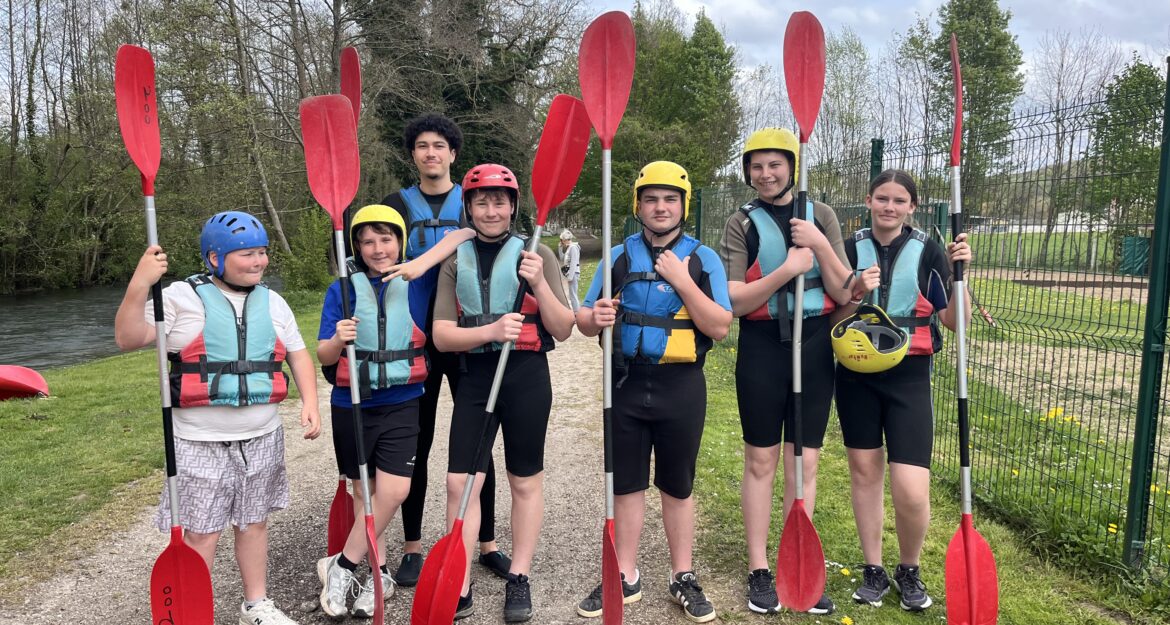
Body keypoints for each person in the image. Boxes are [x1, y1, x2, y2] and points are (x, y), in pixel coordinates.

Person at [114, 211, 321, 625]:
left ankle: (256, 604)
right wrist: (141, 282)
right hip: (198, 438)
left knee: (253, 523)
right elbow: (128, 338)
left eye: (262, 252)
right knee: (203, 532)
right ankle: (193, 611)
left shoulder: (273, 301)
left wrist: (310, 401)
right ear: (214, 258)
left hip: (262, 435)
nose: (258, 261)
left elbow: (297, 352)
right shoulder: (179, 297)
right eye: (246, 254)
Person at [576, 161, 732, 624]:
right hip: (626, 382)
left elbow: (720, 326)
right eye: (651, 199)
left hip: (680, 385)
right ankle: (625, 574)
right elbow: (583, 321)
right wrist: (597, 317)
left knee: (677, 485)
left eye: (669, 199)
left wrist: (682, 280)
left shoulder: (703, 259)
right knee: (626, 484)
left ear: (682, 206)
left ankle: (682, 574)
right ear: (638, 206)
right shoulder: (618, 256)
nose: (660, 207)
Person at [431, 163, 575, 622]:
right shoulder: (456, 258)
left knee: (523, 479)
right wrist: (491, 329)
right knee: (460, 482)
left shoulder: (540, 254)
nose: (490, 210)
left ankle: (519, 576)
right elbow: (441, 336)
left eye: (499, 201)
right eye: (481, 202)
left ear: (513, 207)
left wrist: (536, 282)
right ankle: (461, 578)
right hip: (476, 375)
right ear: (468, 208)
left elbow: (562, 329)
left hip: (526, 375)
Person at [718, 128, 853, 615]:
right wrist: (785, 270)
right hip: (763, 348)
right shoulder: (742, 223)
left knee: (805, 462)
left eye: (774, 165)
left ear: (791, 167)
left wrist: (818, 243)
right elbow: (733, 301)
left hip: (814, 345)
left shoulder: (823, 216)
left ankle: (798, 559)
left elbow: (843, 291)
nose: (765, 174)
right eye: (756, 166)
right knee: (761, 461)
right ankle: (759, 568)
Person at [373, 113, 511, 586]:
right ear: (412, 155)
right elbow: (374, 254)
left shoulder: (472, 202)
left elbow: (481, 242)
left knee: (478, 443)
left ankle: (487, 542)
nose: (431, 153)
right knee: (417, 442)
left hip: (465, 332)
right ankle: (413, 546)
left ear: (453, 154)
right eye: (422, 147)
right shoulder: (395, 204)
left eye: (439, 146)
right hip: (414, 335)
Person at [833, 169, 971, 612]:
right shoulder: (850, 248)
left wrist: (959, 273)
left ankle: (908, 569)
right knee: (865, 471)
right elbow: (833, 308)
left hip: (909, 374)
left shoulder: (929, 250)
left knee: (911, 487)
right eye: (881, 198)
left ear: (912, 206)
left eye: (898, 201)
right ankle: (873, 568)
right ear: (868, 200)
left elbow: (955, 322)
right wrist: (857, 290)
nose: (889, 207)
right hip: (855, 371)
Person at [315, 205, 440, 618]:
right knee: (364, 494)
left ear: (400, 242)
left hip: (403, 401)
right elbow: (324, 355)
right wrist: (338, 338)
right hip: (352, 404)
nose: (377, 248)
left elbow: (461, 238)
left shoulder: (417, 282)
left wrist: (418, 261)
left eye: (386, 239)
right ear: (355, 247)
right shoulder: (342, 290)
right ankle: (379, 572)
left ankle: (343, 564)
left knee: (395, 491)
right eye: (367, 241)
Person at [559, 229, 582, 311]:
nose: (561, 242)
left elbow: (574, 263)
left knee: (573, 294)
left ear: (565, 239)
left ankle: (577, 312)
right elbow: (562, 258)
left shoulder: (573, 248)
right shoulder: (569, 248)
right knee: (572, 294)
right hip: (570, 273)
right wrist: (560, 248)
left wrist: (570, 276)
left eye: (562, 240)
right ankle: (576, 311)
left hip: (573, 273)